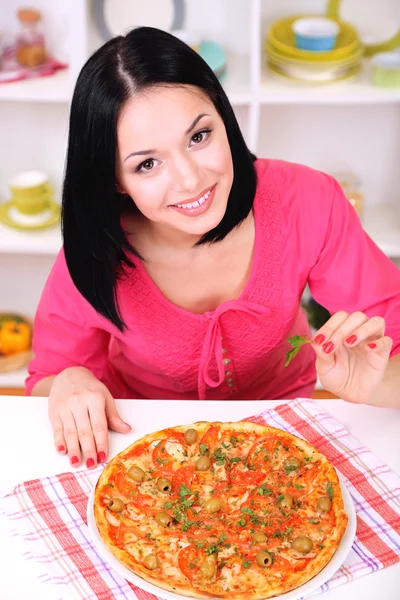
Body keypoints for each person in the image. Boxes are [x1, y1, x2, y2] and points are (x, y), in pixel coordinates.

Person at [27, 27, 400, 470]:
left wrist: (371, 385)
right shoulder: (94, 248)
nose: (189, 179)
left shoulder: (308, 199)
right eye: (147, 164)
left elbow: (390, 337)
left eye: (199, 137)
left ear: (223, 116)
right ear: (114, 180)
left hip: (285, 427)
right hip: (144, 442)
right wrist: (68, 382)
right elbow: (49, 378)